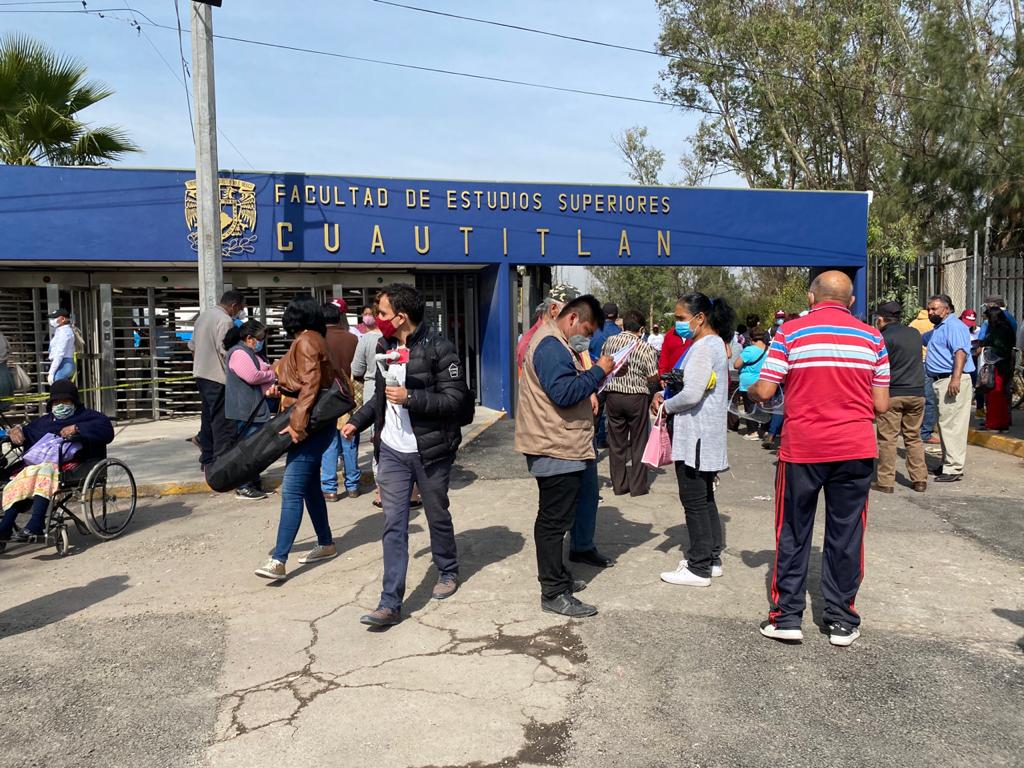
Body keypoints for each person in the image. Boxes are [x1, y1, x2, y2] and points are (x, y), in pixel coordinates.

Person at [749, 271, 889, 647]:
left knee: (793, 531)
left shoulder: (790, 333)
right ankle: (841, 620)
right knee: (847, 534)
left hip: (803, 449)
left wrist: (752, 389)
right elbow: (881, 404)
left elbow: (765, 390)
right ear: (851, 301)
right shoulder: (873, 338)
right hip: (856, 449)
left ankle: (787, 618)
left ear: (811, 298)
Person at [344, 284, 473, 627]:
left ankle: (447, 568)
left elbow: (456, 401)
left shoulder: (440, 348)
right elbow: (381, 397)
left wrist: (411, 399)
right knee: (394, 524)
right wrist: (357, 421)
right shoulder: (384, 346)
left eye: (382, 314)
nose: (376, 319)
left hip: (430, 450)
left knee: (436, 514)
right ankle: (389, 603)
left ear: (401, 317)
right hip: (392, 450)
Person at [516, 295, 614, 617]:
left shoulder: (558, 343)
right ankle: (553, 592)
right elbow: (563, 393)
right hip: (554, 446)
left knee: (558, 519)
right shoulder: (551, 346)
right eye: (587, 330)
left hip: (562, 444)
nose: (587, 338)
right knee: (553, 522)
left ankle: (558, 578)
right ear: (572, 319)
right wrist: (598, 371)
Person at [254, 296, 339, 582]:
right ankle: (326, 543)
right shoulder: (314, 338)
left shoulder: (306, 341)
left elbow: (311, 385)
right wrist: (281, 389)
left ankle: (278, 559)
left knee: (291, 491)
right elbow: (305, 382)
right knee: (310, 487)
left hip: (308, 425)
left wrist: (298, 424)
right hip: (315, 423)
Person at [652, 293, 735, 587]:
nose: (677, 324)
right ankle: (711, 558)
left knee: (694, 501)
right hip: (706, 433)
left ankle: (698, 566)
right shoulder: (714, 344)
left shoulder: (703, 347)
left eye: (681, 318)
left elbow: (691, 394)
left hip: (696, 435)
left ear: (700, 318)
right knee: (705, 497)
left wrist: (665, 405)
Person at [0, 380, 114, 547]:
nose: (60, 405)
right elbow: (25, 433)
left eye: (65, 401)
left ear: (74, 402)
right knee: (21, 478)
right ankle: (5, 526)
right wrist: (14, 432)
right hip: (41, 466)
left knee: (44, 471)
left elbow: (106, 431)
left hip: (77, 465)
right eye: (56, 402)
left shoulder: (89, 417)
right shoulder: (44, 422)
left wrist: (77, 428)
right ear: (51, 404)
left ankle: (36, 523)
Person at [601, 309, 658, 497]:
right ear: (641, 329)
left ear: (623, 325)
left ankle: (619, 485)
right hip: (636, 397)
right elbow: (652, 375)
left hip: (613, 396)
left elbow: (603, 364)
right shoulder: (644, 347)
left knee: (616, 443)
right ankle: (638, 486)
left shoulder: (610, 342)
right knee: (639, 441)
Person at [872, 301, 927, 494]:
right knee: (914, 437)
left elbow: (878, 366)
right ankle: (919, 480)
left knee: (888, 439)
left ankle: (886, 482)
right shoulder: (914, 333)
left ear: (881, 319)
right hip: (917, 393)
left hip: (893, 394)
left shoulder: (883, 338)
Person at [190, 290, 246, 467]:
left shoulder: (203, 316)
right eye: (240, 308)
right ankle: (222, 463)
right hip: (218, 378)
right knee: (222, 423)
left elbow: (192, 347)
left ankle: (207, 459)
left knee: (208, 418)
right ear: (234, 306)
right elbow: (227, 352)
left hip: (201, 375)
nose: (239, 312)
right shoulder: (225, 321)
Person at [924, 294, 975, 482]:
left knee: (953, 426)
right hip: (940, 381)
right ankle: (947, 462)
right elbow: (921, 339)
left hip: (951, 380)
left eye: (934, 309)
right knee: (945, 425)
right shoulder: (939, 328)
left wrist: (955, 378)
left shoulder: (954, 326)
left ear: (946, 309)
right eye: (929, 309)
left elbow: (960, 352)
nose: (930, 312)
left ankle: (953, 469)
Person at [224, 319, 276, 501]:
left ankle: (253, 482)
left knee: (255, 449)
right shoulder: (239, 353)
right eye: (259, 339)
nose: (262, 342)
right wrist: (273, 373)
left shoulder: (250, 352)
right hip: (245, 410)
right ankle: (243, 486)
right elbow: (252, 376)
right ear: (249, 338)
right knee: (247, 449)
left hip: (253, 408)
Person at [320, 302, 361, 501]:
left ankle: (329, 488)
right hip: (348, 396)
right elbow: (359, 369)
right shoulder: (353, 339)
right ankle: (353, 486)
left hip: (326, 397)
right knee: (349, 441)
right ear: (339, 318)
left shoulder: (318, 339)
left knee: (329, 444)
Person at [589, 302, 621, 449]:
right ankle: (614, 441)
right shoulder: (620, 333)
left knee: (598, 410)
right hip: (616, 377)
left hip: (598, 375)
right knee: (615, 414)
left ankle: (596, 440)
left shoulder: (594, 331)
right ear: (617, 316)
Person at [978, 305, 1014, 432]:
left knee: (994, 394)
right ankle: (1002, 422)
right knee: (1001, 395)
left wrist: (986, 345)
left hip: (997, 365)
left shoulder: (999, 331)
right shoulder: (1007, 327)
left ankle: (994, 424)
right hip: (1004, 365)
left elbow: (999, 347)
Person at [734, 328, 769, 440]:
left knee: (750, 407)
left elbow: (736, 364)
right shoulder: (769, 350)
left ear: (751, 338)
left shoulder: (749, 350)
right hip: (763, 381)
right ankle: (764, 429)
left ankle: (753, 431)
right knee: (764, 407)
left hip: (748, 383)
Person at [46, 308, 76, 384]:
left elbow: (59, 353)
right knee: (60, 387)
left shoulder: (64, 333)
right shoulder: (60, 331)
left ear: (63, 319)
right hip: (61, 363)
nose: (52, 320)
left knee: (58, 386)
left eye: (54, 318)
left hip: (64, 364)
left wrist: (51, 372)